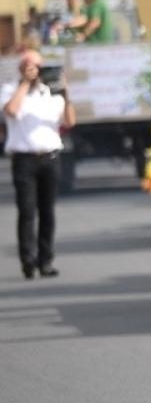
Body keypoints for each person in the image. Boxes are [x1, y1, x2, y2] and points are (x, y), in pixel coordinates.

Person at [3, 50, 73, 278]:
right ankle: (28, 260)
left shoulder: (51, 94)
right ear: (22, 68)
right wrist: (25, 83)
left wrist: (66, 91)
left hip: (50, 158)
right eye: (29, 66)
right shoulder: (10, 90)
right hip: (24, 160)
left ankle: (46, 261)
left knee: (47, 212)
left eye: (37, 67)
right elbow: (11, 111)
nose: (34, 71)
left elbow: (70, 121)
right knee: (26, 211)